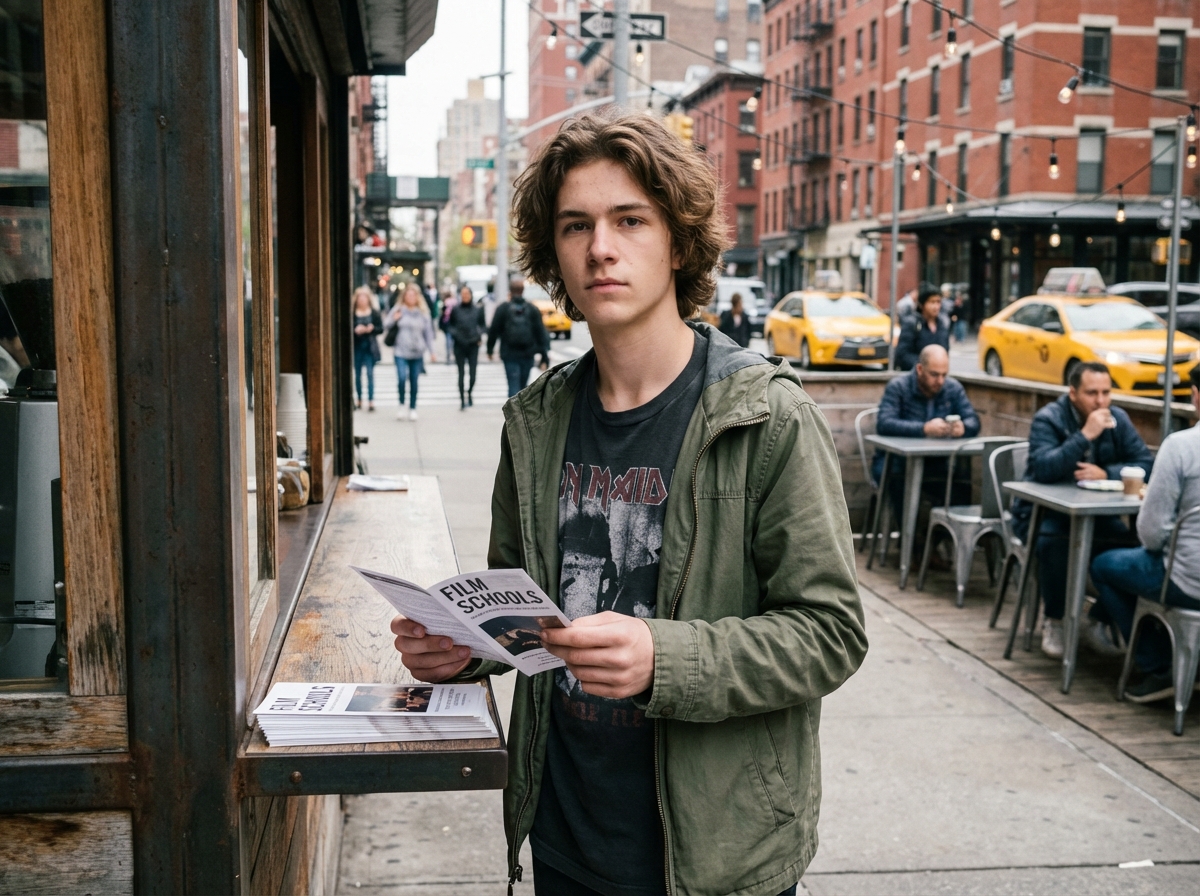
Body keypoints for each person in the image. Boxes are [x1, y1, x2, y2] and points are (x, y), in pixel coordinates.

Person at [390, 112, 867, 896]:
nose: (600, 248)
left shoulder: (767, 416)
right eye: (575, 226)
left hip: (715, 855)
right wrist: (463, 651)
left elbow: (830, 634)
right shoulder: (537, 421)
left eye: (629, 220)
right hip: (566, 835)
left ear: (677, 242)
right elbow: (524, 606)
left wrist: (663, 658)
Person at [1012, 362, 1153, 659]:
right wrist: (1084, 436)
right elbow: (1043, 469)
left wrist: (1108, 473)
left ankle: (1097, 618)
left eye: (1106, 393)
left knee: (1139, 549)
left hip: (1098, 518)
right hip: (1043, 515)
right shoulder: (1048, 418)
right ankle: (1056, 621)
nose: (1101, 401)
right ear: (1073, 393)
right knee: (1054, 543)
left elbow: (1145, 462)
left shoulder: (1118, 419)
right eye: (1092, 393)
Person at [1089, 365, 1200, 701]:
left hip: (1189, 581)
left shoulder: (1181, 446)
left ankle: (1157, 666)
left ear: (1197, 395)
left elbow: (1151, 534)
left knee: (1104, 566)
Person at [872, 344, 981, 525]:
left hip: (934, 464)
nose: (940, 381)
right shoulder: (898, 387)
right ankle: (912, 546)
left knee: (960, 484)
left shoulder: (952, 388)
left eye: (944, 375)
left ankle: (939, 540)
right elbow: (884, 423)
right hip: (894, 464)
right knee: (900, 484)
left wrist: (964, 428)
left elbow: (974, 421)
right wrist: (924, 429)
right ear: (920, 369)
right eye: (934, 374)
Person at [487, 276, 551, 398]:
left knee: (513, 385)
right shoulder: (532, 309)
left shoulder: (503, 309)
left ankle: (514, 414)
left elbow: (493, 330)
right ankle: (520, 415)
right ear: (523, 290)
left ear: (510, 290)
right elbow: (541, 333)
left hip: (509, 354)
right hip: (527, 354)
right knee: (523, 387)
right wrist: (544, 356)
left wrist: (490, 350)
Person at [384, 283, 436, 421]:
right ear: (404, 296)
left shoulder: (423, 312)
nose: (411, 297)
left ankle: (412, 408)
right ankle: (401, 405)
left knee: (414, 380)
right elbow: (386, 324)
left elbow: (428, 333)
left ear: (417, 297)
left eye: (413, 295)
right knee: (401, 379)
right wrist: (394, 319)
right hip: (400, 351)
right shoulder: (398, 309)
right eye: (408, 295)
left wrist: (432, 352)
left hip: (417, 352)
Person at [895, 284, 950, 371]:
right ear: (922, 304)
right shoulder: (912, 324)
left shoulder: (942, 325)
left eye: (938, 302)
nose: (936, 306)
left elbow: (945, 351)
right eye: (932, 302)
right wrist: (925, 366)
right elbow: (903, 355)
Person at [448, 284, 487, 409]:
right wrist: (455, 335)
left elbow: (483, 326)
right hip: (459, 345)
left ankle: (469, 392)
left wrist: (478, 336)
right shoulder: (455, 309)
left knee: (473, 374)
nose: (465, 297)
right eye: (463, 294)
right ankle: (461, 400)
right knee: (461, 373)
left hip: (473, 345)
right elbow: (450, 325)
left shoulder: (477, 309)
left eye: (467, 294)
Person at [352, 285, 382, 411]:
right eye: (360, 297)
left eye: (365, 297)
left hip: (370, 347)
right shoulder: (353, 313)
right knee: (357, 374)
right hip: (357, 346)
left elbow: (380, 328)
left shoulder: (374, 312)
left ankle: (371, 400)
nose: (362, 300)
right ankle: (359, 399)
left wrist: (372, 328)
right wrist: (356, 330)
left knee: (370, 374)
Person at [439, 288, 457, 364]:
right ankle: (454, 355)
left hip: (447, 322)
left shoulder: (445, 302)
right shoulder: (455, 301)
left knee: (448, 340)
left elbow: (444, 312)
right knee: (454, 340)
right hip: (454, 323)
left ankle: (448, 356)